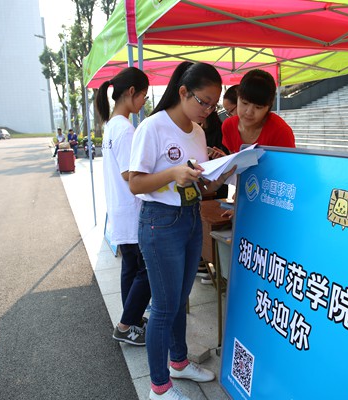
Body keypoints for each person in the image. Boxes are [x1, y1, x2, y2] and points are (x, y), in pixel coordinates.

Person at [129, 61, 236, 400]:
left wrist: (219, 176)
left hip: (190, 217)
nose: (208, 110)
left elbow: (198, 186)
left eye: (213, 105)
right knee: (163, 307)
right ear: (183, 92)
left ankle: (178, 361)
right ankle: (159, 389)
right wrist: (173, 173)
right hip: (160, 221)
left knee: (179, 300)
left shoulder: (199, 132)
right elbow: (135, 183)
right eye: (203, 101)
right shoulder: (153, 127)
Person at [94, 67, 152, 346]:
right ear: (131, 92)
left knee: (131, 267)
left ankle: (133, 319)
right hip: (131, 210)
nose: (143, 102)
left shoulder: (111, 126)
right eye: (144, 96)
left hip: (120, 208)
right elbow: (131, 175)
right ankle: (125, 325)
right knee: (147, 271)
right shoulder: (125, 129)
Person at [221, 69, 295, 154]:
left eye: (258, 107)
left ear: (268, 107)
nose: (249, 112)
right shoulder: (228, 126)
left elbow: (288, 162)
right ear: (237, 97)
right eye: (244, 103)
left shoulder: (281, 132)